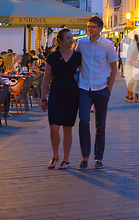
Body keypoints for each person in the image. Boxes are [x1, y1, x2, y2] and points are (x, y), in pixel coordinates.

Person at [76, 16, 118, 170]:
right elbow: (78, 61)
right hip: (85, 87)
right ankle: (84, 155)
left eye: (93, 26)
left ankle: (98, 157)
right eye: (88, 26)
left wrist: (109, 89)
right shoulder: (81, 43)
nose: (90, 29)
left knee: (100, 125)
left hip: (101, 88)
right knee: (83, 121)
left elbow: (114, 68)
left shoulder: (108, 45)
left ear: (100, 28)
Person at [41, 29, 82, 170]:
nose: (72, 40)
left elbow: (84, 73)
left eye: (72, 38)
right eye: (68, 38)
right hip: (56, 93)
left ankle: (66, 159)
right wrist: (43, 98)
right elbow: (46, 78)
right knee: (54, 127)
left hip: (71, 93)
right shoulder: (52, 57)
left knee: (67, 127)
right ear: (60, 40)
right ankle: (55, 154)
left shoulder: (77, 56)